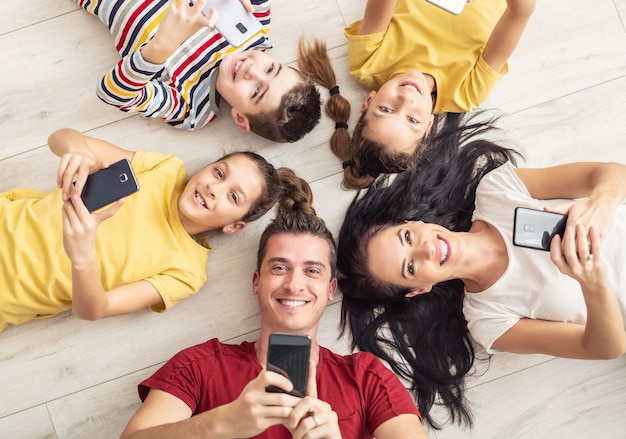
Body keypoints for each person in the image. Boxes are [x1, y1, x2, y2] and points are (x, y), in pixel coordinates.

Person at [336, 115, 626, 428]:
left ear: (412, 223)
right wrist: (593, 283)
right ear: (419, 289)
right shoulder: (488, 320)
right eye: (410, 267)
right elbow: (604, 347)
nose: (425, 249)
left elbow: (612, 174)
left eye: (407, 237)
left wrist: (603, 200)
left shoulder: (497, 189)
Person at [119, 208, 431, 438]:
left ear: (330, 290)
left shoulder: (367, 378)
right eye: (280, 267)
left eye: (312, 271)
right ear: (257, 282)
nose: (294, 284)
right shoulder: (200, 367)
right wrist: (221, 423)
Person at [0, 128, 310, 331]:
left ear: (234, 226)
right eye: (219, 172)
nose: (214, 188)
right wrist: (77, 150)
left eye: (233, 196)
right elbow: (62, 137)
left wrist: (82, 257)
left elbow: (94, 309)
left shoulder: (186, 272)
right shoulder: (164, 169)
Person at [61, 0, 347, 142]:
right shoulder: (255, 28)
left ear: (240, 118)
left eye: (256, 92)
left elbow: (115, 95)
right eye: (271, 68)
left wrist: (162, 45)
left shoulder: (192, 108)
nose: (252, 70)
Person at [326, 0, 539, 188]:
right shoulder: (466, 92)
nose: (406, 100)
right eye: (412, 120)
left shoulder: (368, 62)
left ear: (369, 101)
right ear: (429, 125)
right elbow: (521, 11)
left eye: (386, 110)